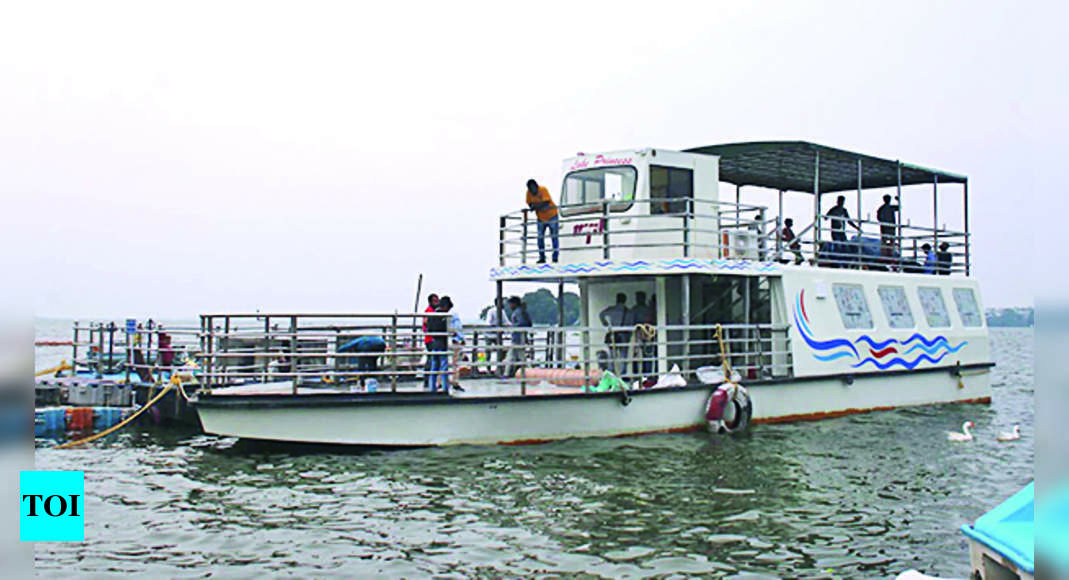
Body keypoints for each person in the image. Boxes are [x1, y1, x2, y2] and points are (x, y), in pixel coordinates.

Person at [526, 179, 560, 263]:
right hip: (541, 218)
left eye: (533, 188)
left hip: (552, 216)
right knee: (540, 237)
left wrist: (535, 207)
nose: (532, 191)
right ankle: (542, 257)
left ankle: (555, 257)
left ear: (537, 186)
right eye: (530, 189)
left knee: (554, 237)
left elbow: (546, 202)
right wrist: (533, 206)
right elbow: (529, 203)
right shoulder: (528, 193)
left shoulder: (543, 190)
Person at [599, 293, 631, 377]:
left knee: (612, 355)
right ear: (625, 300)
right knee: (623, 354)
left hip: (613, 333)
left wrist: (605, 323)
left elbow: (601, 314)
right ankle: (622, 373)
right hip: (623, 334)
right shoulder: (628, 311)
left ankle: (611, 372)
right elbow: (630, 323)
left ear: (617, 299)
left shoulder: (611, 309)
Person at [440, 296, 466, 392]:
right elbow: (457, 327)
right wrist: (460, 338)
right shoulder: (453, 314)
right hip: (454, 340)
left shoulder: (445, 314)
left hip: (449, 340)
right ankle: (454, 382)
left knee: (443, 362)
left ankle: (441, 382)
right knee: (455, 364)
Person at [425, 298, 451, 393]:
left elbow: (429, 327)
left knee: (434, 365)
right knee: (444, 365)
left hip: (434, 341)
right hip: (442, 342)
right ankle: (445, 387)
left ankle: (432, 387)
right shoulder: (444, 316)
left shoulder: (432, 315)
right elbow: (447, 328)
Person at [629, 291, 656, 376]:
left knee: (647, 354)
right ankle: (640, 374)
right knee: (638, 354)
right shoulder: (636, 309)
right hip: (639, 334)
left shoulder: (644, 310)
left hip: (646, 334)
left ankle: (645, 374)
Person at [507, 296, 532, 378]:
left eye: (510, 304)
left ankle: (529, 371)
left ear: (514, 304)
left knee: (517, 356)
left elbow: (522, 323)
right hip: (518, 337)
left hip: (518, 337)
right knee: (513, 356)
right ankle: (507, 373)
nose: (509, 306)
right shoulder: (521, 311)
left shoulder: (518, 312)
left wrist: (512, 327)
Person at [485, 297, 511, 377]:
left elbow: (506, 322)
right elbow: (488, 323)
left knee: (501, 351)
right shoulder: (491, 311)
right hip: (489, 335)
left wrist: (511, 327)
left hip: (497, 335)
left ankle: (499, 368)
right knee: (487, 353)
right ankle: (487, 369)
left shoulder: (502, 311)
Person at [422, 293, 440, 390]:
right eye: (435, 301)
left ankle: (432, 379)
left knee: (434, 359)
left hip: (433, 338)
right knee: (431, 359)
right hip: (430, 339)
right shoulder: (429, 311)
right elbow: (426, 322)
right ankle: (427, 379)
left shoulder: (435, 311)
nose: (437, 303)